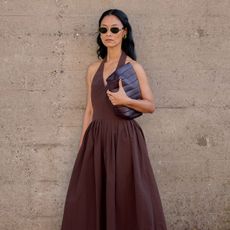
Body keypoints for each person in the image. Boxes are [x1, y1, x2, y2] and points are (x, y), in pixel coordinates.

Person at [61, 9, 167, 230]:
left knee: (127, 196)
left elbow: (150, 105)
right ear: (100, 34)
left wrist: (125, 100)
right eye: (104, 29)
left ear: (124, 33)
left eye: (114, 29)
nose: (108, 33)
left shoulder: (134, 67)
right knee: (88, 197)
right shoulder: (92, 70)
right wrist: (83, 144)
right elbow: (90, 109)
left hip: (125, 139)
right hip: (97, 139)